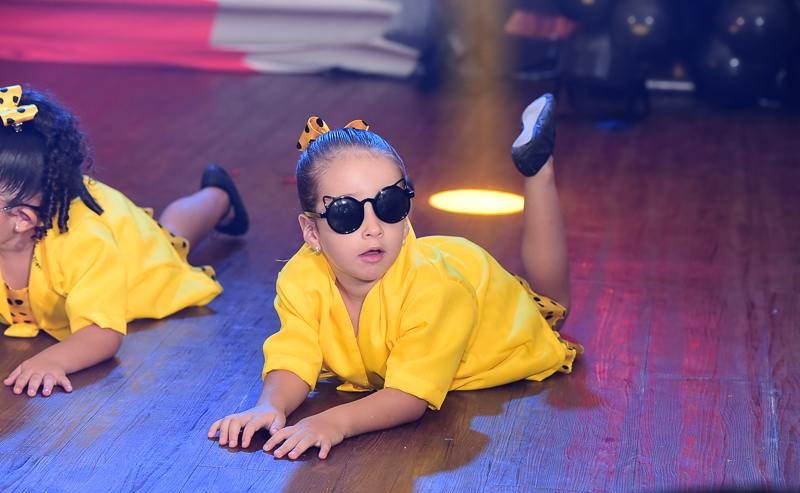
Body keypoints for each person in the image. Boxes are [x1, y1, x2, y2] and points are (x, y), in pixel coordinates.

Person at [209, 94, 582, 459]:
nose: (373, 228)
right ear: (311, 233)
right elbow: (295, 354)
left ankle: (539, 170)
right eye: (346, 213)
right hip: (446, 271)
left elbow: (409, 396)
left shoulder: (437, 291)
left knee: (551, 307)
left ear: (405, 217)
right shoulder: (300, 278)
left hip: (489, 313)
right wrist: (270, 405)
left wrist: (335, 421)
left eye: (389, 205)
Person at [0, 84, 248, 397]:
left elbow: (102, 334)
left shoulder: (82, 244)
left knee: (171, 239)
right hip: (81, 217)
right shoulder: (12, 218)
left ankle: (219, 196)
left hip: (137, 261)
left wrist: (54, 360)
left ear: (22, 219)